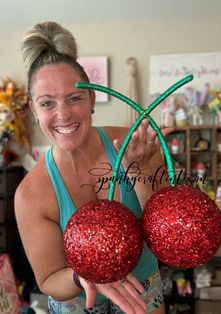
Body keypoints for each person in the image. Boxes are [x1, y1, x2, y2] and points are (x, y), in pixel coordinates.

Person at [15, 21, 172, 314]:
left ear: (91, 99)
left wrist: (140, 172)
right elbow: (49, 278)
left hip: (142, 295)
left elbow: (164, 236)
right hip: (78, 304)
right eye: (47, 103)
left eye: (74, 98)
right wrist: (84, 276)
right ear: (34, 110)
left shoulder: (131, 142)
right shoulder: (31, 194)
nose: (63, 114)